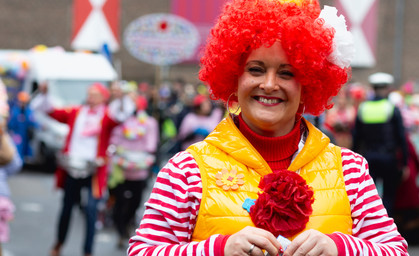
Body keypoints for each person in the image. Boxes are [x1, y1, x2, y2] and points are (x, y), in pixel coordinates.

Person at [128, 1, 408, 255]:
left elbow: (394, 250)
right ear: (234, 76)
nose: (270, 84)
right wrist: (218, 249)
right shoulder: (186, 171)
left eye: (287, 73)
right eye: (256, 69)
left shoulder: (349, 169)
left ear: (308, 84)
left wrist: (339, 247)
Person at [30, 82, 135, 256]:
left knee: (91, 211)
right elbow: (51, 112)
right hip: (72, 168)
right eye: (90, 94)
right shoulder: (76, 112)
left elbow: (122, 116)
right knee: (66, 209)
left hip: (94, 170)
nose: (91, 97)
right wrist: (45, 93)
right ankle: (58, 243)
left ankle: (88, 251)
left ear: (103, 97)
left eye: (95, 94)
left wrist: (121, 96)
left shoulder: (107, 115)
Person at [352, 72, 409, 217]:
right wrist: (405, 163)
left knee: (368, 197)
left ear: (373, 88)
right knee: (389, 195)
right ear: (387, 88)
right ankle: (387, 229)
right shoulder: (392, 108)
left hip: (369, 156)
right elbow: (401, 137)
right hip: (388, 158)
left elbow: (356, 137)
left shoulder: (363, 108)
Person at [107, 95, 159, 249]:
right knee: (119, 202)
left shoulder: (150, 123)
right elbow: (113, 142)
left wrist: (143, 159)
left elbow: (151, 145)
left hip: (139, 170)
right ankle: (121, 231)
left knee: (135, 202)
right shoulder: (120, 121)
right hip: (120, 171)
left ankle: (128, 225)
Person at [7, 91, 38, 162]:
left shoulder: (28, 111)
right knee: (17, 150)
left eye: (24, 102)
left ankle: (21, 164)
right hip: (17, 135)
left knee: (25, 151)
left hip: (25, 135)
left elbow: (32, 121)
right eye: (22, 102)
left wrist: (40, 126)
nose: (23, 104)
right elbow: (10, 124)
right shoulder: (15, 111)